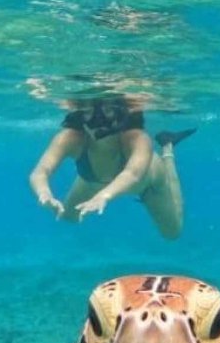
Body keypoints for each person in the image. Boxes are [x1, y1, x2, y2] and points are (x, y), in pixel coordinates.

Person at [28, 95, 195, 240]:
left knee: (172, 233)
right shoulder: (70, 138)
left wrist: (103, 196)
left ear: (120, 112)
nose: (97, 120)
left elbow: (133, 174)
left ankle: (167, 146)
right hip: (91, 181)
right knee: (67, 217)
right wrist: (44, 193)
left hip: (147, 182)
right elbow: (40, 172)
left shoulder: (137, 139)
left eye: (108, 110)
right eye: (87, 111)